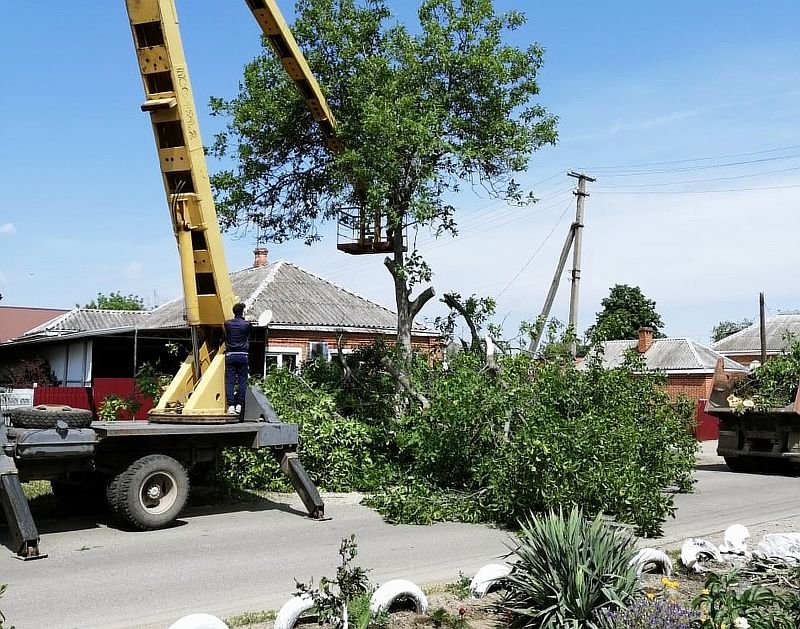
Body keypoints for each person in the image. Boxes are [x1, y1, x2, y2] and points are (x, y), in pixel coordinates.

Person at [224, 302, 252, 415]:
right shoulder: (247, 324)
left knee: (230, 382)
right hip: (242, 355)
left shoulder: (227, 324)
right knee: (242, 381)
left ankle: (230, 405)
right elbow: (249, 329)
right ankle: (239, 405)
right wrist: (246, 319)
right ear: (242, 312)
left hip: (230, 355)